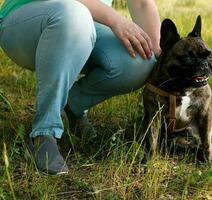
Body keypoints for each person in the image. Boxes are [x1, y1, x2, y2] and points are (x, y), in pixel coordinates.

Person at [0, 0, 161, 175]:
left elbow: (142, 4)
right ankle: (44, 132)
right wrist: (117, 20)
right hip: (27, 21)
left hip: (89, 24)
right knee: (75, 14)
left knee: (141, 60)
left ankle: (71, 103)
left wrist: (161, 57)